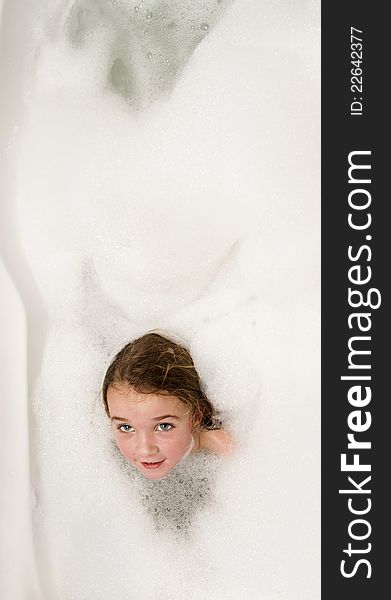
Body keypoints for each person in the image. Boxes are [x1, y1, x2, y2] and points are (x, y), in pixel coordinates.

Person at [102, 332, 234, 480]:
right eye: (126, 427)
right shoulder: (104, 453)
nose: (145, 449)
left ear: (196, 418)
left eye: (164, 426)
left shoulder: (228, 450)